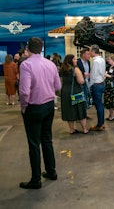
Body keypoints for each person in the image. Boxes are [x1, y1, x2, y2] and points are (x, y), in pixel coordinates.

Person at [18, 37, 61, 189]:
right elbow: (58, 85)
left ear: (28, 48)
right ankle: (51, 171)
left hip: (34, 107)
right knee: (47, 139)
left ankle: (36, 179)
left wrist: (24, 107)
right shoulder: (50, 64)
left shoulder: (26, 65)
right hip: (49, 106)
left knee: (34, 144)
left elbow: (24, 91)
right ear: (41, 48)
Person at [59, 54, 89, 134]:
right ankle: (85, 129)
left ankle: (72, 129)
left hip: (65, 92)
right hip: (76, 92)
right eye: (75, 59)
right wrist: (84, 76)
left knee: (69, 110)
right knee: (80, 110)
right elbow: (81, 81)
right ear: (70, 60)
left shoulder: (62, 69)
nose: (76, 60)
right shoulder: (75, 69)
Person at [89, 44, 106, 131]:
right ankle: (101, 123)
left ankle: (100, 124)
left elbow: (93, 76)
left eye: (90, 51)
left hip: (96, 85)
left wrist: (89, 86)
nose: (89, 53)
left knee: (98, 105)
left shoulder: (95, 61)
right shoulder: (102, 59)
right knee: (100, 105)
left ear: (93, 51)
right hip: (101, 83)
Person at [104, 53, 114, 121]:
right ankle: (110, 115)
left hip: (113, 88)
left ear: (113, 59)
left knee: (113, 102)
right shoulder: (110, 66)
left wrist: (107, 75)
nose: (108, 60)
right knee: (109, 102)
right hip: (108, 87)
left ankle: (112, 116)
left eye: (109, 59)